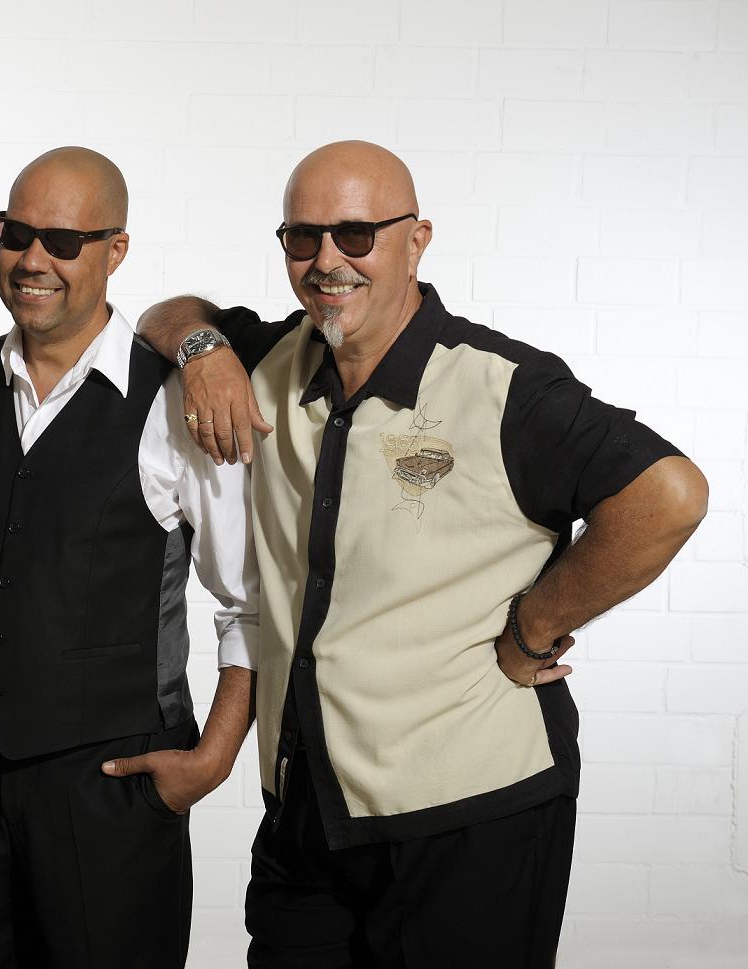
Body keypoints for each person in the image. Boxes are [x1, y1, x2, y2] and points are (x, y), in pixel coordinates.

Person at [139, 139, 708, 968]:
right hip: (309, 811)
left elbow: (669, 495)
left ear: (417, 241)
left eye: (356, 234)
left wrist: (534, 628)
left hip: (472, 816)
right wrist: (203, 348)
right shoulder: (269, 359)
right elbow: (167, 312)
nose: (326, 260)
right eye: (302, 237)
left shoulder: (503, 386)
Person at [0, 146, 260, 969]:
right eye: (15, 233)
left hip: (113, 787)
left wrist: (211, 759)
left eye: (62, 241)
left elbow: (250, 601)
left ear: (114, 250)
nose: (33, 260)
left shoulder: (174, 399)